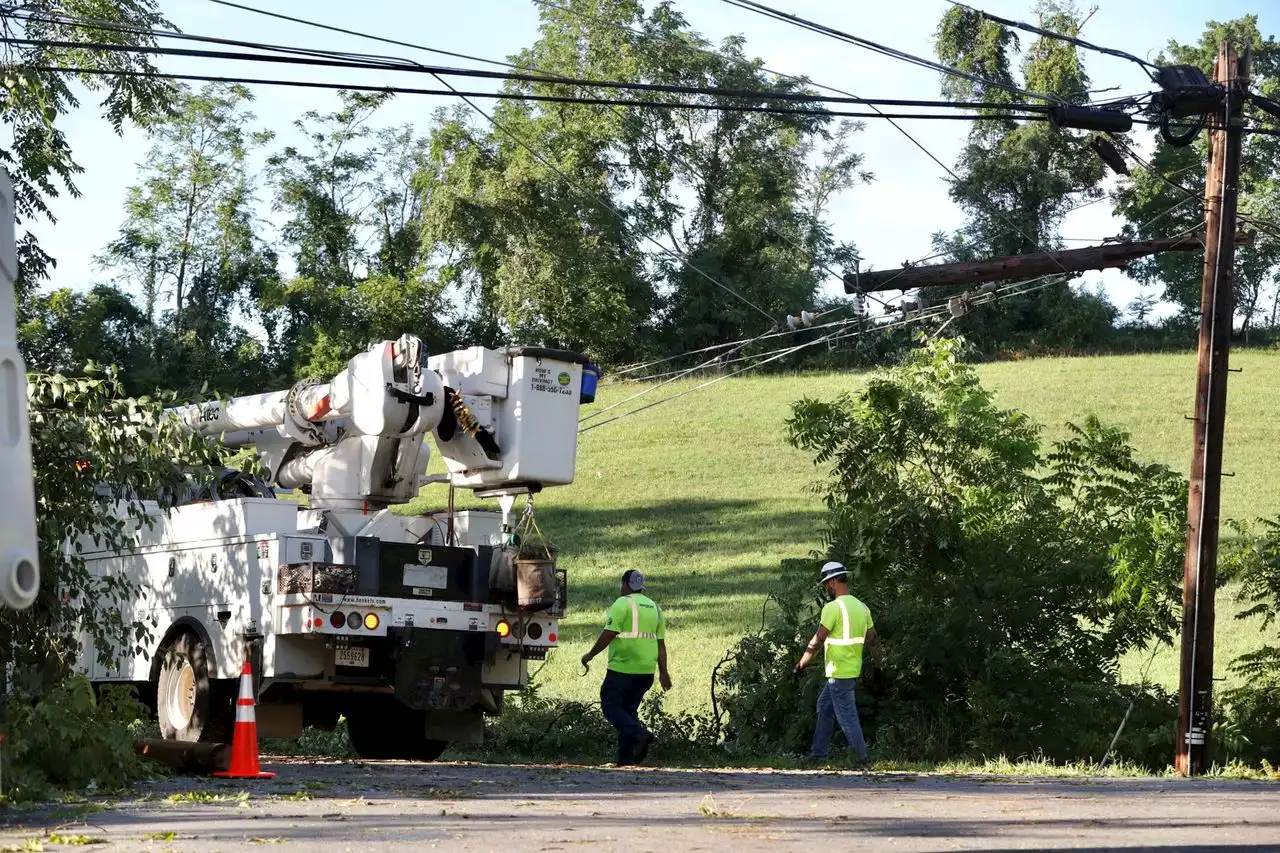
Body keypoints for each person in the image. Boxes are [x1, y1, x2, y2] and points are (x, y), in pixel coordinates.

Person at [581, 569, 673, 766]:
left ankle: (640, 734)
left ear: (624, 585)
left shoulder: (622, 604)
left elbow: (609, 633)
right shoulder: (655, 608)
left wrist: (590, 655)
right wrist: (663, 672)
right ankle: (627, 760)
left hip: (623, 667)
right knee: (629, 712)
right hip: (646, 671)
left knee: (610, 705)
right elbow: (660, 644)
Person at [793, 560, 877, 764]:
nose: (825, 588)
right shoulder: (862, 607)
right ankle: (818, 754)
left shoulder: (832, 608)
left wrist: (801, 664)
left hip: (839, 671)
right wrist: (879, 664)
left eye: (825, 584)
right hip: (849, 670)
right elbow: (873, 638)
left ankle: (861, 758)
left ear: (832, 582)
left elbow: (818, 639)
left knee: (847, 717)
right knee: (824, 707)